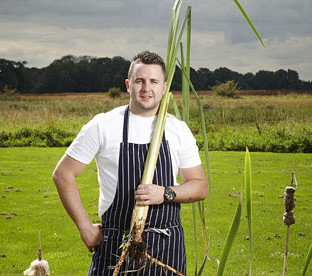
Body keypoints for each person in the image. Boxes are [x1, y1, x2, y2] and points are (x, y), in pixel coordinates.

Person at [52, 50, 207, 275]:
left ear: (164, 87)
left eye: (154, 81)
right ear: (128, 84)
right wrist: (85, 228)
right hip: (116, 245)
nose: (146, 88)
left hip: (167, 249)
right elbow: (63, 174)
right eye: (139, 81)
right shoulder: (103, 125)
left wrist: (165, 193)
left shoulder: (177, 129)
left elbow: (199, 185)